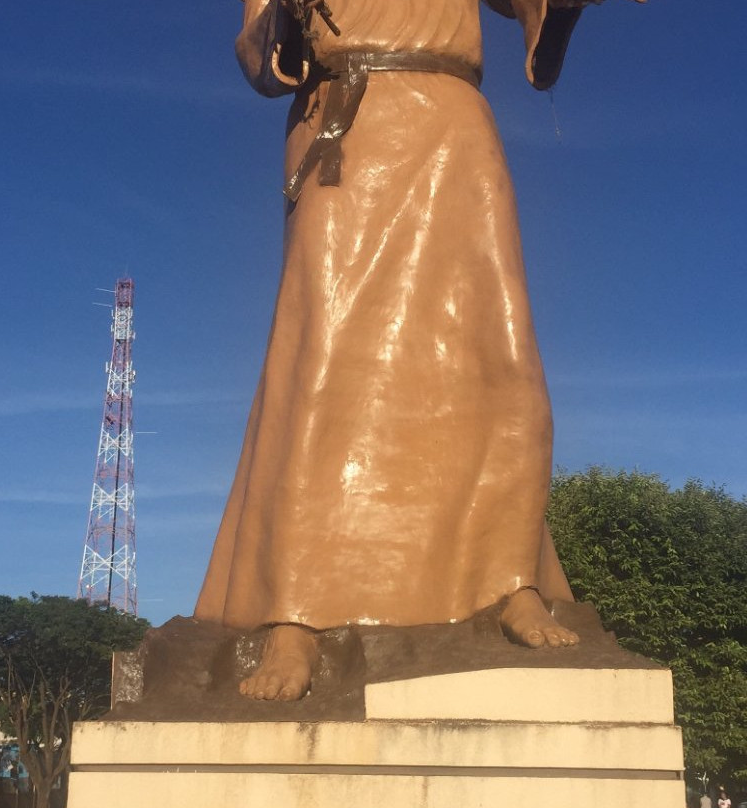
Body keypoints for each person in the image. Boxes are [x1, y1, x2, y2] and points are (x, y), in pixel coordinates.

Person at [195, 0, 637, 701]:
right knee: (327, 356)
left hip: (452, 123)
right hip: (349, 122)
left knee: (492, 352)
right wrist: (281, 14)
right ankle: (298, 614)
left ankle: (509, 581)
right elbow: (261, 57)